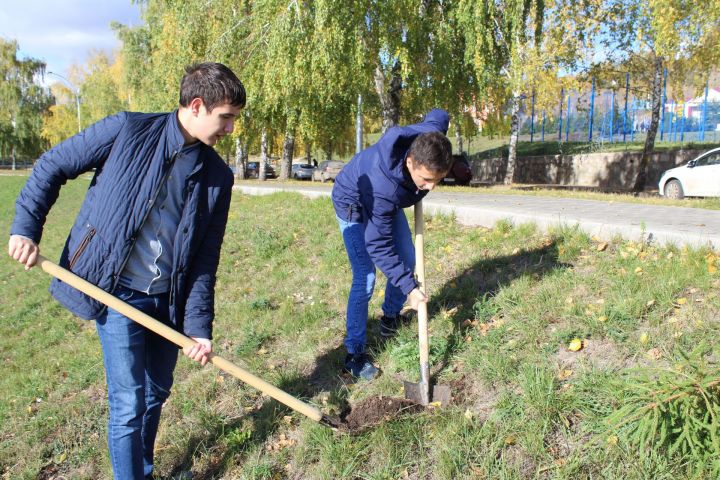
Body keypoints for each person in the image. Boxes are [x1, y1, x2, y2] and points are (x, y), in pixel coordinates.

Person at [8, 62, 246, 479]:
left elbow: (206, 258)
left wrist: (199, 327)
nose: (230, 129)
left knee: (157, 391)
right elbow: (51, 165)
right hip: (114, 292)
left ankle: (144, 469)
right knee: (128, 403)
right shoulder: (127, 131)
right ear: (196, 105)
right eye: (225, 118)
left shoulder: (217, 177)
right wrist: (26, 229)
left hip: (166, 299)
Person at [331, 109, 453, 380]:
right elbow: (378, 244)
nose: (431, 187)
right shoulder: (384, 185)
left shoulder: (429, 140)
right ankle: (354, 353)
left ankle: (390, 318)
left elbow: (437, 116)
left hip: (388, 200)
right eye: (426, 180)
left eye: (438, 180)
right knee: (366, 276)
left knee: (408, 258)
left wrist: (445, 114)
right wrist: (410, 288)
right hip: (354, 202)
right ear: (410, 162)